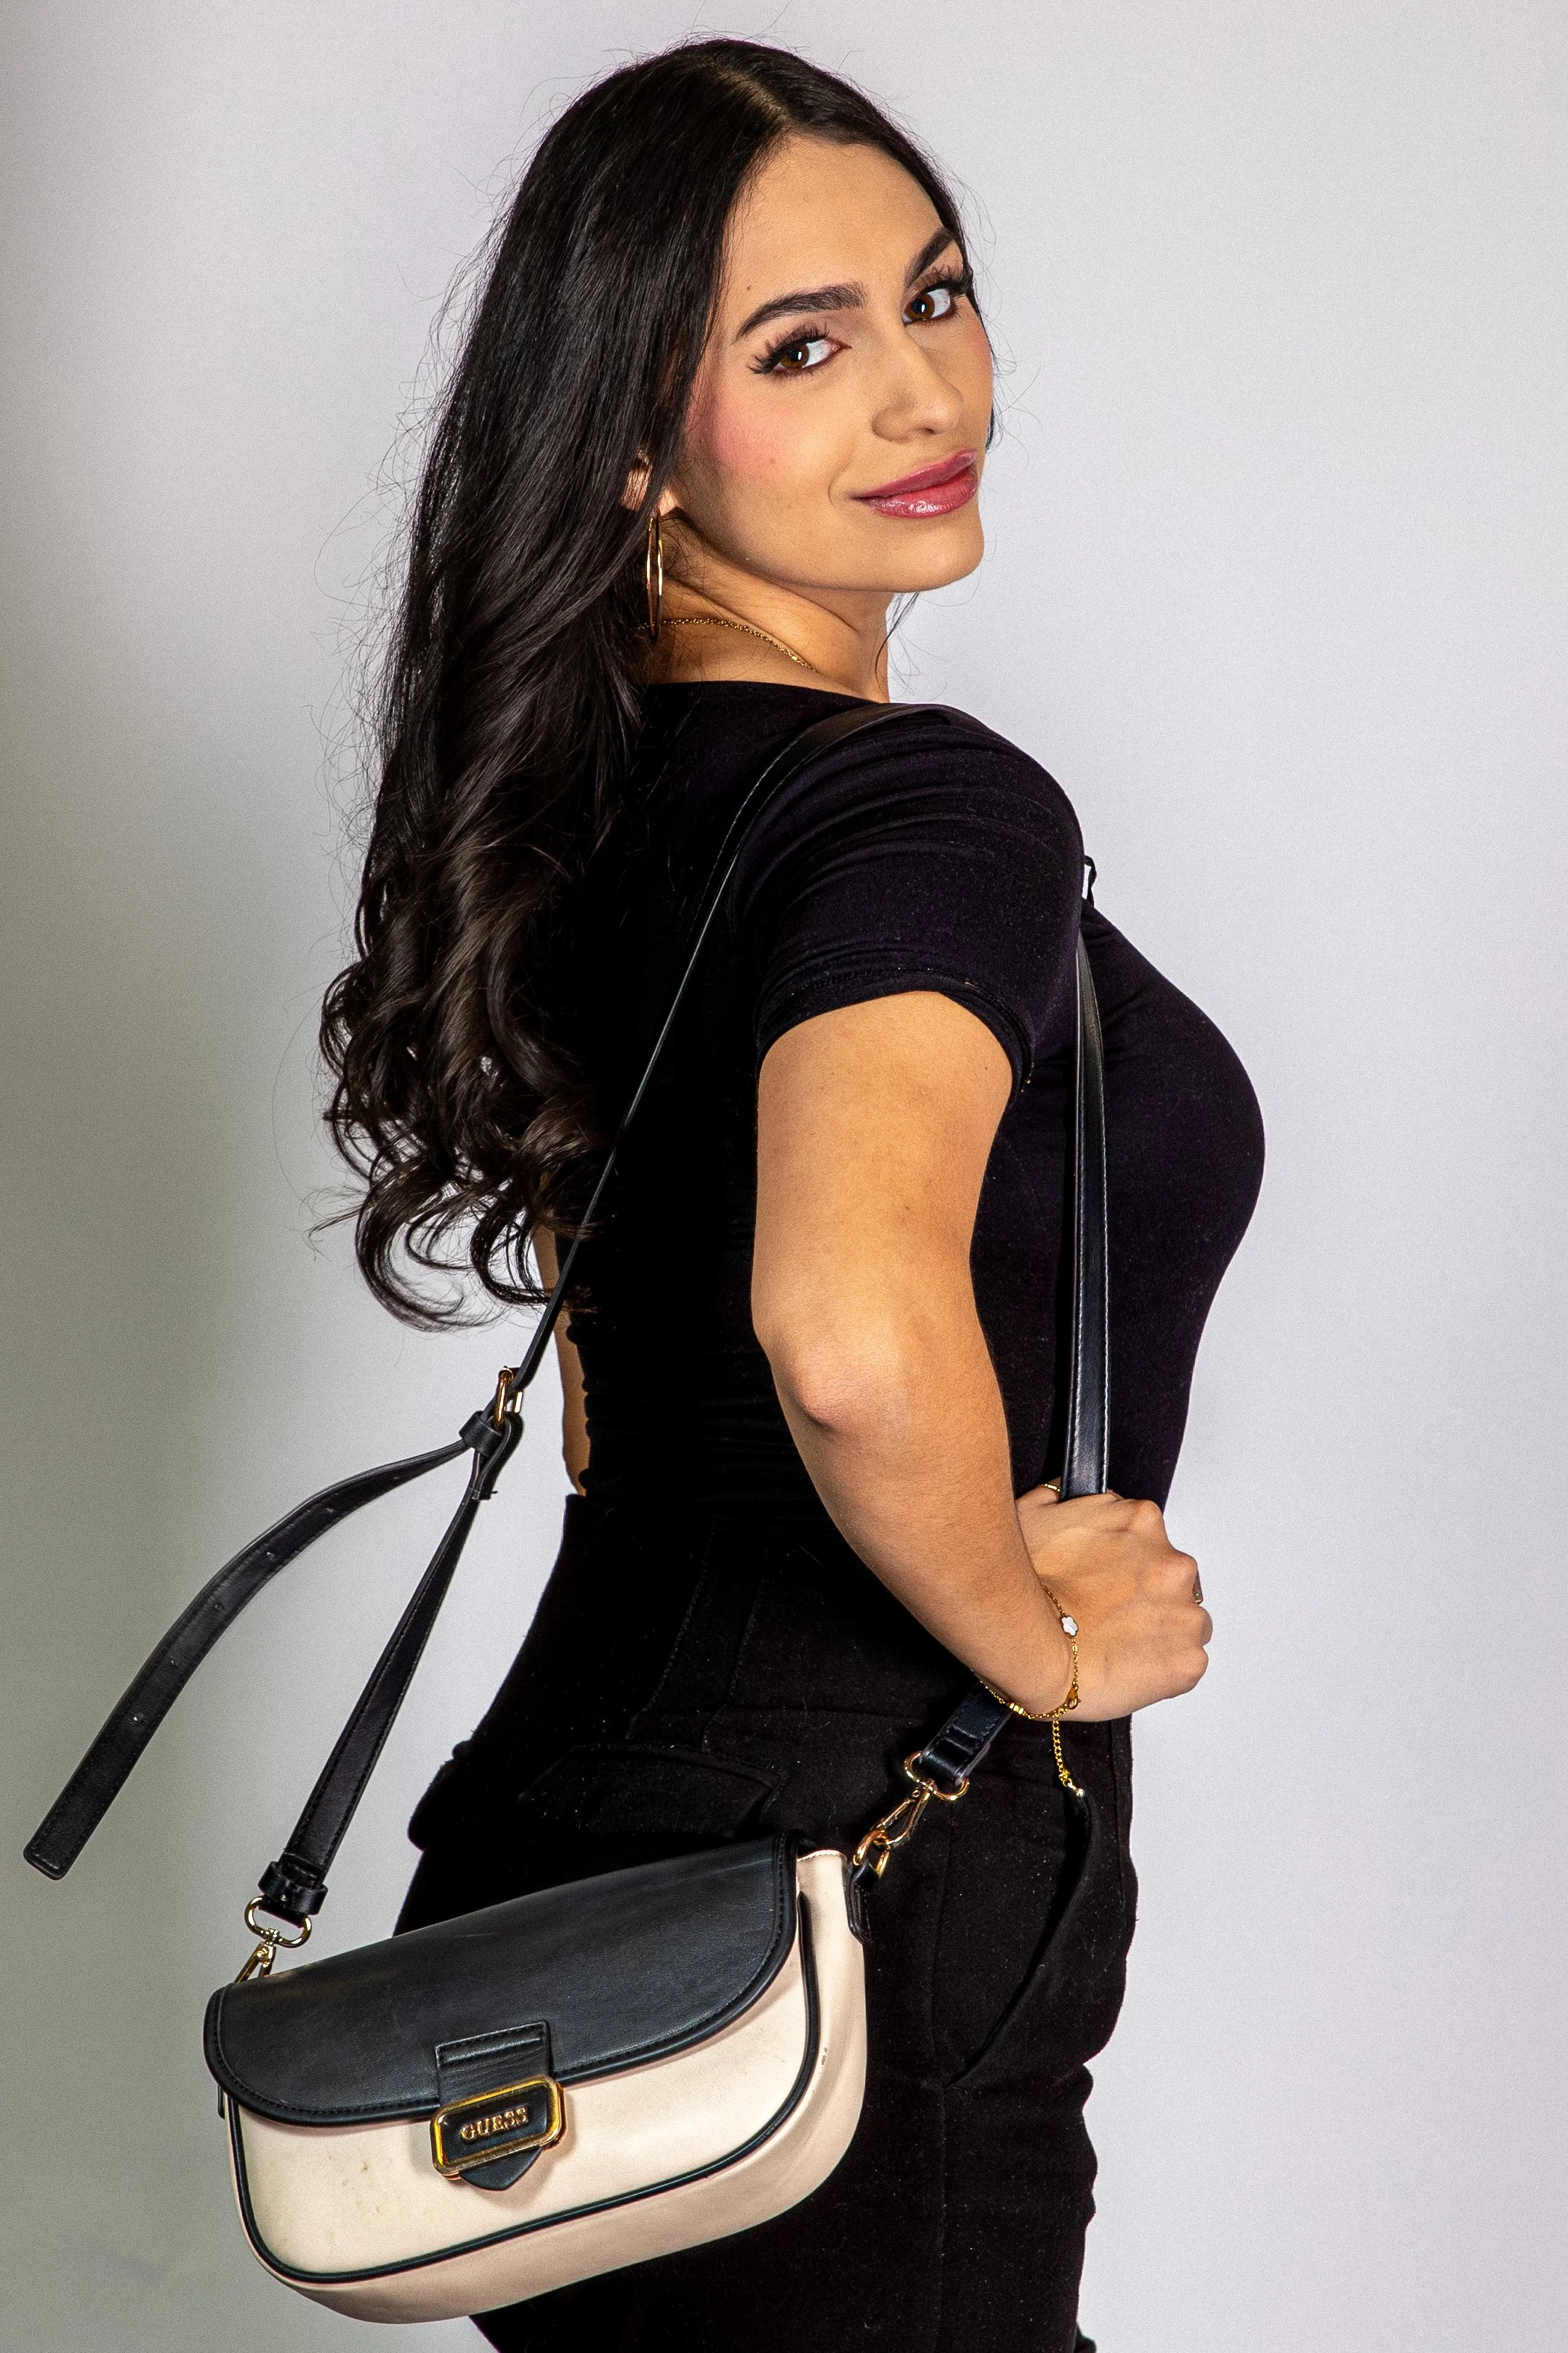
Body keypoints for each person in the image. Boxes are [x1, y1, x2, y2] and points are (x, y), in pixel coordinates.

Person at [321, 36, 1264, 2353]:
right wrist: (1039, 1642)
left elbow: (602, 1412)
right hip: (860, 1869)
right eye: (801, 346)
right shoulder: (919, 809)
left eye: (930, 296)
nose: (919, 387)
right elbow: (839, 1333)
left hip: (561, 1857)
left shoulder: (576, 824)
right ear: (636, 443)